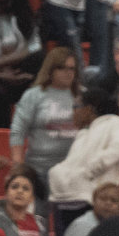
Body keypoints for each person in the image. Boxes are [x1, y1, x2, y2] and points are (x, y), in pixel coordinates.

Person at [10, 48, 81, 176]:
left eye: (72, 69)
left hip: (73, 169)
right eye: (62, 68)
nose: (68, 72)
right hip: (38, 168)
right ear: (50, 70)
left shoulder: (82, 96)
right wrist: (18, 165)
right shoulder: (33, 95)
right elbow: (18, 131)